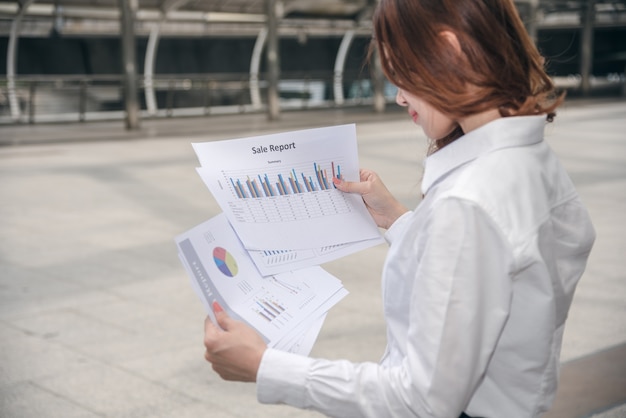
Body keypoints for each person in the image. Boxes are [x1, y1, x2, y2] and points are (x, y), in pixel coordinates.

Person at [203, 0, 596, 416]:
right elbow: (496, 269)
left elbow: (420, 400)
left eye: (402, 74)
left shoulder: (470, 202)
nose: (398, 97)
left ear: (450, 51)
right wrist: (398, 219)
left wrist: (265, 367)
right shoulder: (529, 159)